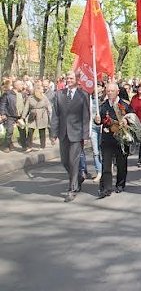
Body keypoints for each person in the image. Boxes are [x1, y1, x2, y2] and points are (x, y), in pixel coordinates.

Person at [49, 71, 90, 202]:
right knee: (65, 161)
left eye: (71, 78)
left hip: (77, 134)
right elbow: (55, 115)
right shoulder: (59, 94)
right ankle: (78, 177)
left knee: (74, 161)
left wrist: (85, 135)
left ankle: (72, 189)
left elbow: (86, 116)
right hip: (63, 133)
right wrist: (53, 133)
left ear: (77, 80)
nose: (69, 80)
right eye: (67, 78)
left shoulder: (83, 95)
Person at [94, 83, 134, 198]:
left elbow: (133, 118)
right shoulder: (103, 105)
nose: (109, 93)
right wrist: (97, 120)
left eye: (112, 91)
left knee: (121, 164)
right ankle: (106, 188)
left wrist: (127, 122)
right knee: (106, 164)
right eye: (108, 91)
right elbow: (99, 120)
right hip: (107, 138)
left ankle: (120, 184)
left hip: (121, 139)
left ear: (117, 91)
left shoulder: (125, 104)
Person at [0, 79, 27, 152]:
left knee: (22, 131)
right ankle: (6, 146)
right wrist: (2, 114)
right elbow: (3, 104)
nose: (22, 86)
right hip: (10, 116)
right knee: (9, 131)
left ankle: (24, 145)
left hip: (20, 116)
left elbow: (26, 104)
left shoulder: (23, 94)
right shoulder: (7, 94)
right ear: (16, 86)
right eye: (21, 85)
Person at [23, 83, 51, 152]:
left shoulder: (44, 97)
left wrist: (51, 115)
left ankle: (42, 146)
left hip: (42, 115)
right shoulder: (30, 97)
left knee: (42, 131)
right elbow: (26, 108)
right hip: (32, 115)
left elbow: (49, 106)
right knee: (30, 130)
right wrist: (23, 117)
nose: (43, 90)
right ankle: (29, 146)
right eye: (41, 89)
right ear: (37, 90)